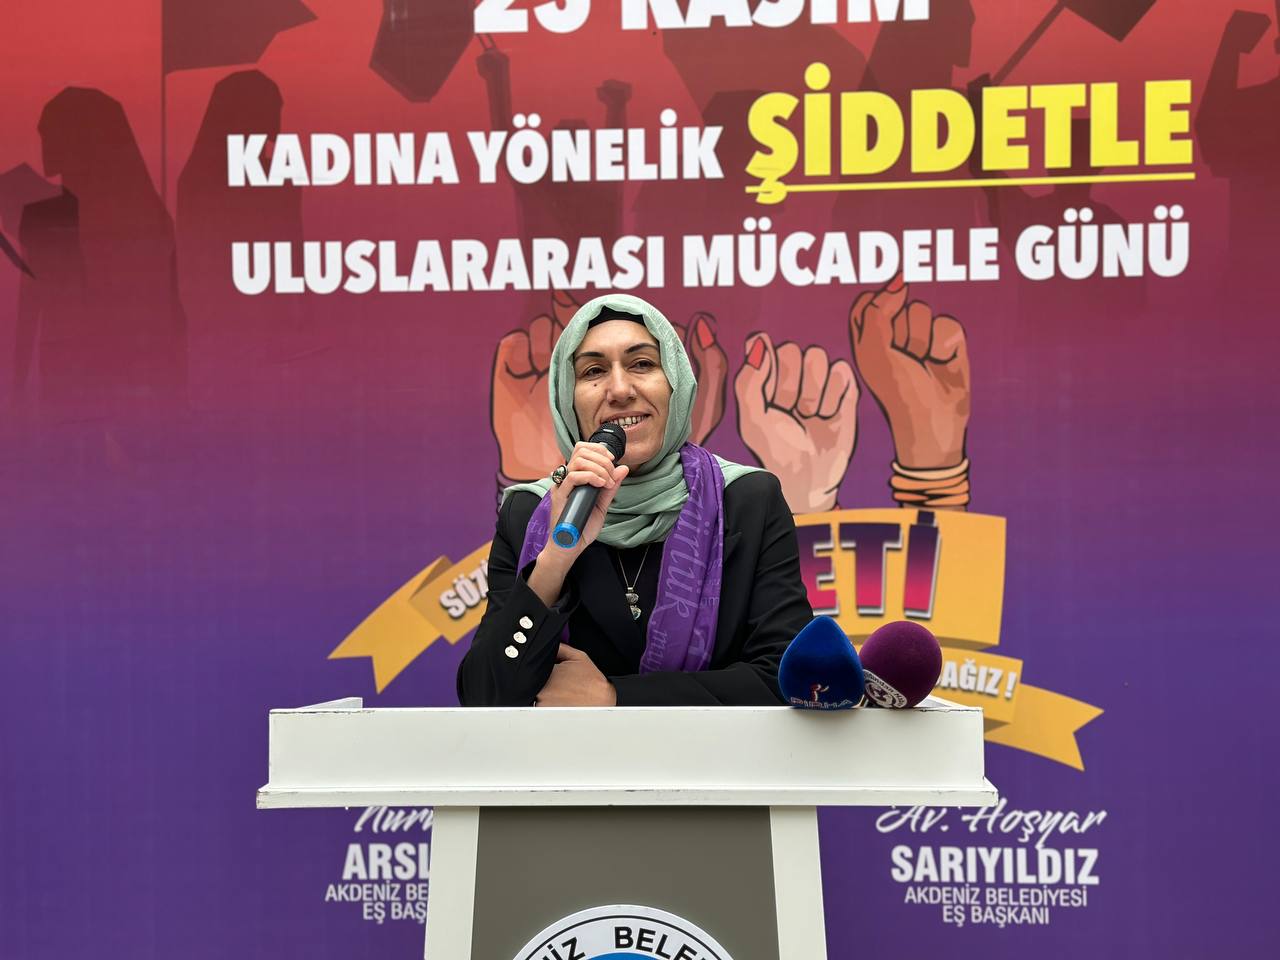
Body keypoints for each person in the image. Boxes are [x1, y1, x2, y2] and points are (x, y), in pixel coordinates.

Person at [457, 293, 815, 707]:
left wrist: (617, 697)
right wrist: (554, 560)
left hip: (713, 752)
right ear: (567, 399)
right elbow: (485, 694)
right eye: (593, 371)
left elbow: (788, 678)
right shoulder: (529, 514)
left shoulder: (747, 501)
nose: (620, 389)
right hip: (571, 754)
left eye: (642, 364)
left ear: (675, 384)